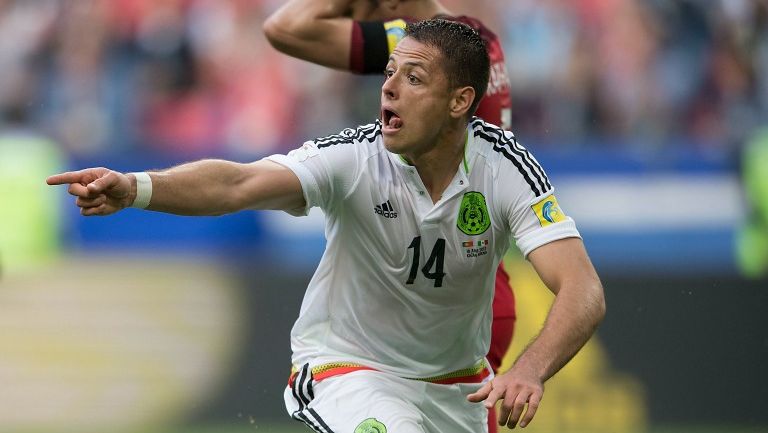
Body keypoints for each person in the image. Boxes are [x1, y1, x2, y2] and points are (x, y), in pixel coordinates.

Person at [48, 20, 605, 433]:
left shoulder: (503, 166)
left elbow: (582, 289)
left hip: (458, 389)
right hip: (347, 367)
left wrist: (530, 369)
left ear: (461, 101)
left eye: (414, 78)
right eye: (389, 74)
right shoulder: (354, 159)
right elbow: (237, 184)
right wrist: (137, 187)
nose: (388, 89)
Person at [264, 5, 516, 429]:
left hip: (449, 301)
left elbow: (286, 29)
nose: (354, 15)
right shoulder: (465, 40)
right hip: (478, 290)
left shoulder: (432, 45)